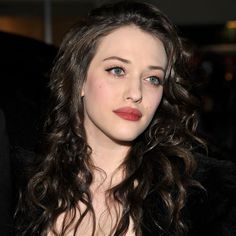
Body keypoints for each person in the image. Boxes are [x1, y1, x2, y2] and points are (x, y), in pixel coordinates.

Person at [14, 1, 236, 236]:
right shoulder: (22, 186)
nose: (136, 93)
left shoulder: (209, 195)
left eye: (153, 79)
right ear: (78, 80)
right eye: (117, 70)